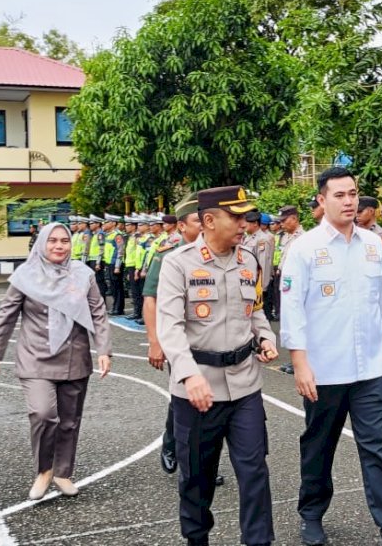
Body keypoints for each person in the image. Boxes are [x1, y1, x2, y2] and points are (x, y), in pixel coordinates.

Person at [280, 166, 382, 546]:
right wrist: (300, 364)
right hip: (324, 370)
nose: (348, 201)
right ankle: (311, 514)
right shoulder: (305, 248)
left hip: (371, 367)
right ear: (322, 200)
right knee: (319, 446)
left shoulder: (373, 244)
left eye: (353, 193)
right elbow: (292, 310)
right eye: (339, 195)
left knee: (377, 447)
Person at [157, 186, 279, 546]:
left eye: (246, 217)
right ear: (209, 220)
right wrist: (188, 374)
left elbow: (254, 310)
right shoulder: (177, 264)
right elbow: (170, 326)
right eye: (236, 217)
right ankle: (197, 540)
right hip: (198, 390)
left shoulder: (248, 261)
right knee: (197, 477)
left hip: (245, 385)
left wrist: (266, 338)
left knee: (254, 470)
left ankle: (258, 541)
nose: (244, 224)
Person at [0, 222, 111, 500]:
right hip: (35, 357)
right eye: (52, 240)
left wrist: (104, 349)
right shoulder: (25, 276)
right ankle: (44, 471)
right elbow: (6, 317)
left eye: (64, 241)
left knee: (69, 420)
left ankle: (63, 472)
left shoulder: (83, 274)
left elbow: (98, 313)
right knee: (43, 414)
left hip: (74, 357)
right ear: (42, 243)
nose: (58, 246)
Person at [142, 194, 204, 477]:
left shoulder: (222, 251)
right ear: (181, 226)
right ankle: (175, 446)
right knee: (186, 398)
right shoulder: (167, 254)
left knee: (211, 402)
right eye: (197, 221)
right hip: (179, 339)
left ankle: (202, 457)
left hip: (212, 339)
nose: (204, 226)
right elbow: (151, 299)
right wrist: (155, 342)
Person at [277, 205, 305, 374]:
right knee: (288, 321)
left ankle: (301, 360)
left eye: (284, 220)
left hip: (296, 284)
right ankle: (293, 358)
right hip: (285, 282)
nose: (281, 224)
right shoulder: (287, 237)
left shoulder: (303, 237)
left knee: (297, 321)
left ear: (294, 219)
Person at [102, 214, 126, 316]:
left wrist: (117, 266)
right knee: (113, 287)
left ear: (113, 223)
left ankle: (119, 308)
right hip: (109, 263)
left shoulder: (117, 235)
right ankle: (115, 306)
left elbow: (120, 251)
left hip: (115, 264)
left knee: (117, 287)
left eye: (107, 222)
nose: (104, 224)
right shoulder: (109, 234)